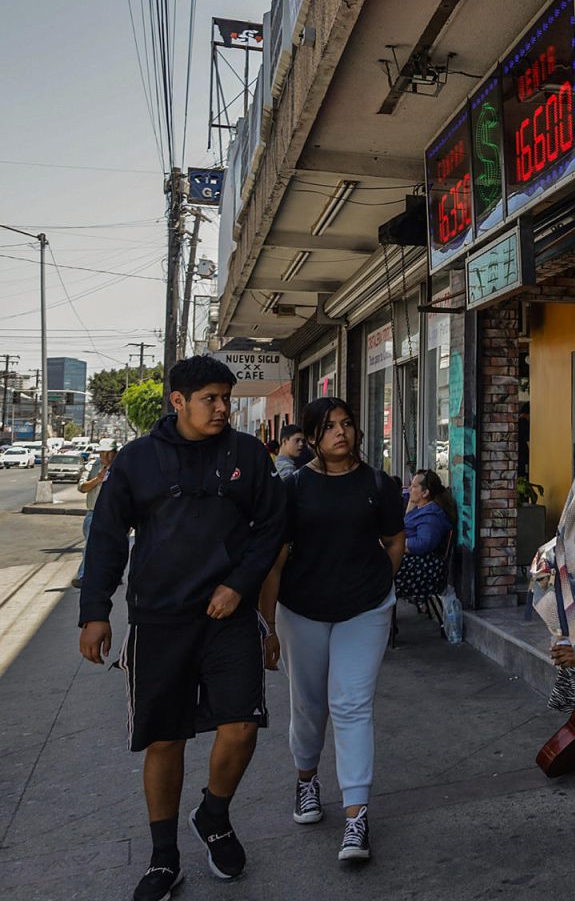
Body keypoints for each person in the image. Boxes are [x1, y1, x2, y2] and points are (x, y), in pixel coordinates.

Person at [78, 356, 286, 901]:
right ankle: (163, 858)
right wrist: (95, 610)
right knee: (165, 739)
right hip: (160, 619)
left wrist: (239, 585)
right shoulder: (137, 461)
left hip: (229, 617)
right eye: (210, 399)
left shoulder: (246, 455)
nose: (222, 408)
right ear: (178, 401)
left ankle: (213, 815)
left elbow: (271, 527)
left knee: (241, 726)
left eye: (225, 397)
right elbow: (105, 535)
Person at [258, 396, 405, 863]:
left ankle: (356, 818)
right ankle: (306, 781)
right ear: (312, 437)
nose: (341, 432)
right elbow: (274, 562)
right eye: (328, 427)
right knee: (309, 705)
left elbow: (395, 538)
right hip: (302, 610)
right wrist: (268, 628)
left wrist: (382, 579)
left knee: (351, 704)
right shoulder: (294, 488)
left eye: (347, 424)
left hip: (365, 609)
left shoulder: (379, 484)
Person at [397, 468, 454, 604]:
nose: (410, 488)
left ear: (425, 492)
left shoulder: (431, 515)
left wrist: (397, 544)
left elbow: (423, 543)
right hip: (411, 562)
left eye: (414, 486)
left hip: (422, 570)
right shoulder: (420, 509)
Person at [71, 438, 118, 589]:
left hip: (115, 514)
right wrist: (97, 479)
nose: (106, 456)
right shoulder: (92, 466)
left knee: (114, 546)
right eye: (103, 453)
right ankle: (83, 576)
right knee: (91, 546)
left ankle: (113, 575)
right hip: (94, 513)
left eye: (110, 453)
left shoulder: (123, 467)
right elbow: (82, 488)